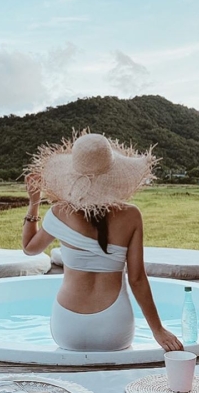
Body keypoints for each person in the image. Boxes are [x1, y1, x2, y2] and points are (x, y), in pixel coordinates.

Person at [22, 131, 183, 353]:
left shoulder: (59, 213)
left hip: (68, 326)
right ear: (114, 176)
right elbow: (137, 279)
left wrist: (34, 202)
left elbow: (30, 248)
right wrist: (158, 330)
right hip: (114, 327)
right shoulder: (131, 216)